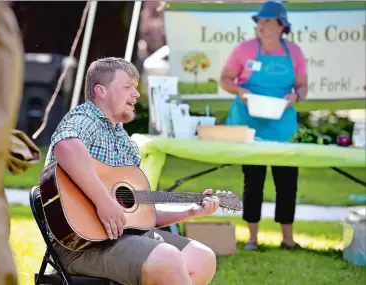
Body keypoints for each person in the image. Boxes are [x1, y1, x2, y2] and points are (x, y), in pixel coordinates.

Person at [43, 57, 218, 285]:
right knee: (167, 257)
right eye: (128, 87)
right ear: (101, 91)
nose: (136, 95)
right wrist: (102, 201)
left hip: (123, 237)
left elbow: (140, 214)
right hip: (81, 244)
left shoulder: (124, 141)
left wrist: (191, 212)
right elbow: (65, 145)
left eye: (136, 88)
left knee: (202, 257)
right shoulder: (85, 118)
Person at [219, 1, 308, 251]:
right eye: (259, 21)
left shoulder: (295, 52)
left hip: (283, 125)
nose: (262, 26)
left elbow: (302, 86)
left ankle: (288, 239)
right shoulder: (244, 50)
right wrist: (240, 90)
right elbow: (225, 80)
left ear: (282, 25)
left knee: (287, 181)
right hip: (251, 124)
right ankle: (252, 239)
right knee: (254, 180)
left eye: (268, 21)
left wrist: (295, 97)